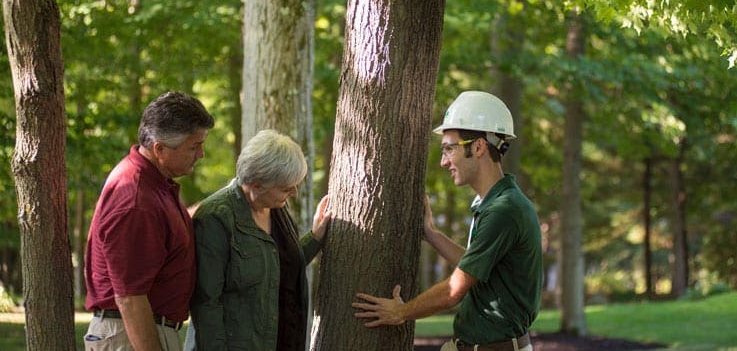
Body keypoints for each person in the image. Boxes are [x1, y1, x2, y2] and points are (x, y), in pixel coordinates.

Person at [352, 91, 543, 351]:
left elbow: (455, 290)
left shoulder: (504, 210)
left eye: (449, 149)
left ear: (478, 147)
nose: (443, 162)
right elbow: (474, 266)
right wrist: (430, 234)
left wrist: (401, 312)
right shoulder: (498, 203)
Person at [84, 91, 215, 351]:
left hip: (140, 330)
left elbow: (164, 234)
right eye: (193, 146)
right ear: (160, 149)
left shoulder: (153, 184)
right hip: (132, 334)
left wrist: (223, 205)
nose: (200, 154)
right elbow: (130, 298)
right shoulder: (136, 200)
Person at [185, 129, 332, 351]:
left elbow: (278, 265)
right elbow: (206, 303)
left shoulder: (276, 208)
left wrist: (315, 237)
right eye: (285, 187)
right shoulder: (216, 218)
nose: (293, 192)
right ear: (256, 185)